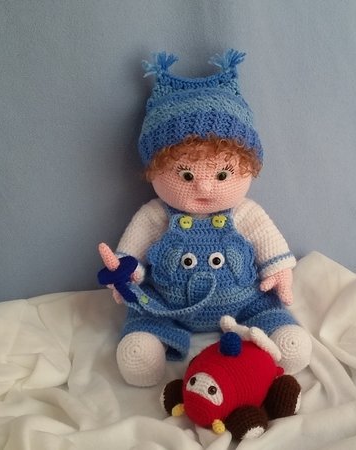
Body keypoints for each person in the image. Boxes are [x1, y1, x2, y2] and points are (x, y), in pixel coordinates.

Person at [99, 49, 311, 387]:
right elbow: (132, 255)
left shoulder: (244, 213)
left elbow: (268, 241)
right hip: (168, 306)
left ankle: (278, 332)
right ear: (155, 169)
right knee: (141, 330)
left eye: (222, 175)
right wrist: (125, 272)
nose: (204, 187)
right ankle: (147, 344)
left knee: (283, 333)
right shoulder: (156, 215)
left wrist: (279, 272)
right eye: (186, 175)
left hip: (245, 304)